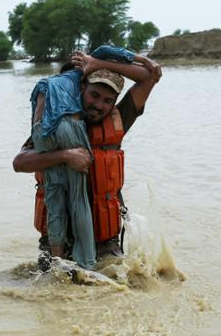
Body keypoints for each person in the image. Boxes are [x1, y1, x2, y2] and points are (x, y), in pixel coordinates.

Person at [13, 45, 162, 268]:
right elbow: (20, 162)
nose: (99, 105)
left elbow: (150, 77)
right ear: (82, 88)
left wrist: (99, 63)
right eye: (94, 95)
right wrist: (65, 155)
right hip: (57, 242)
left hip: (105, 243)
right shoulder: (57, 122)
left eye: (107, 100)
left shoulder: (120, 118)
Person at [29, 62, 96, 269]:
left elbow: (35, 121)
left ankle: (58, 260)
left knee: (54, 198)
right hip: (66, 128)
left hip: (42, 131)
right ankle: (87, 264)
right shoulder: (77, 81)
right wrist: (145, 61)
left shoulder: (44, 85)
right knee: (79, 201)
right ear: (82, 85)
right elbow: (18, 163)